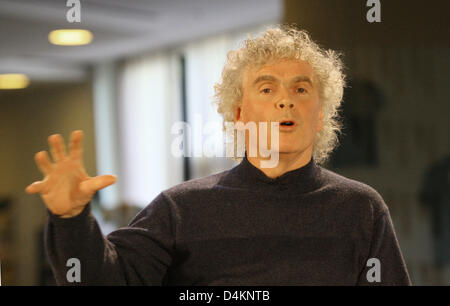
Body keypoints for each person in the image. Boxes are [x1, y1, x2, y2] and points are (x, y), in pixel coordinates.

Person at [25, 26, 411, 285]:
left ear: (321, 114)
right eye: (266, 89)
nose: (284, 101)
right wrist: (70, 219)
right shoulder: (182, 208)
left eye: (301, 89)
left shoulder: (362, 208)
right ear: (239, 114)